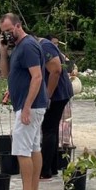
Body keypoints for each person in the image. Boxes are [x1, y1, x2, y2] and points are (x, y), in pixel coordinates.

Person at [0, 13, 48, 190]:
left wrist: (27, 107)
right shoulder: (18, 47)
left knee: (21, 150)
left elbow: (37, 77)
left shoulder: (28, 46)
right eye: (3, 33)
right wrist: (3, 51)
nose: (7, 35)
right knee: (34, 148)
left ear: (18, 26)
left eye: (9, 31)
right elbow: (6, 74)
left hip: (30, 107)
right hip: (27, 105)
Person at [38, 34, 73, 179]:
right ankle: (51, 167)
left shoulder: (44, 46)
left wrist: (47, 96)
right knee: (51, 129)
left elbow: (56, 71)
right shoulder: (42, 45)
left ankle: (45, 170)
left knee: (48, 129)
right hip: (58, 93)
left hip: (57, 94)